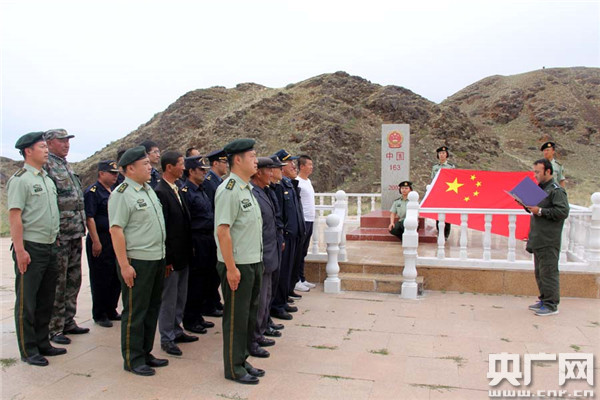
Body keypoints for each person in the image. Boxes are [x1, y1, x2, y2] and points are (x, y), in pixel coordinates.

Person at [108, 146, 168, 376]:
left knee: (152, 308)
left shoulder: (148, 190)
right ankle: (133, 359)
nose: (150, 167)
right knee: (136, 311)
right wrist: (124, 265)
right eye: (145, 164)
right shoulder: (122, 194)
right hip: (138, 260)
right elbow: (116, 231)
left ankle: (145, 352)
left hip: (156, 257)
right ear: (130, 168)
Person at [8, 132, 65, 366]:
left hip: (50, 246)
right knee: (27, 301)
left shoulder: (47, 180)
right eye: (42, 146)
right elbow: (15, 216)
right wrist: (20, 250)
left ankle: (43, 342)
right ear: (28, 151)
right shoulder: (20, 180)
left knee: (46, 298)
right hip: (31, 247)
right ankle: (28, 349)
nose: (46, 150)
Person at [214, 138, 265, 385]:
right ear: (237, 160)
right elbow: (222, 231)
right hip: (238, 264)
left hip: (253, 261)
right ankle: (233, 368)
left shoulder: (247, 188)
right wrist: (231, 268)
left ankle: (242, 359)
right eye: (252, 156)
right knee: (236, 317)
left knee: (248, 315)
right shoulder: (229, 190)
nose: (256, 160)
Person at [44, 129, 89, 345]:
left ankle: (69, 320)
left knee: (74, 278)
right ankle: (55, 327)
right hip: (61, 233)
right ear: (49, 143)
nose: (66, 144)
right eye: (62, 141)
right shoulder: (47, 166)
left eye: (68, 141)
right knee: (58, 282)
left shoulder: (66, 165)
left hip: (76, 232)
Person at [154, 151, 197, 357]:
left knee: (180, 296)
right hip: (172, 257)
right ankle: (167, 338)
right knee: (169, 299)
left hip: (183, 254)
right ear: (169, 167)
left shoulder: (177, 188)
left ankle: (176, 329)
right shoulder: (161, 192)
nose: (184, 168)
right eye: (180, 164)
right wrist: (167, 259)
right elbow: (163, 229)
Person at [526, 159, 569, 316]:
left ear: (548, 171)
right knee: (540, 272)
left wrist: (540, 211)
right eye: (535, 171)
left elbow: (562, 212)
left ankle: (551, 305)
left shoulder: (556, 190)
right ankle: (544, 299)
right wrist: (525, 204)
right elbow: (534, 208)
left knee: (549, 272)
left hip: (549, 239)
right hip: (538, 237)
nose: (535, 175)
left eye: (538, 172)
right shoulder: (541, 189)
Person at [180, 156, 217, 334]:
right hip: (196, 240)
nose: (204, 173)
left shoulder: (201, 190)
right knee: (194, 281)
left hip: (208, 239)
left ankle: (198, 315)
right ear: (191, 171)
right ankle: (190, 319)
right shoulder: (186, 191)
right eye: (201, 170)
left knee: (205, 280)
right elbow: (185, 222)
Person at [84, 161, 121, 328]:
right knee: (101, 277)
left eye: (116, 173)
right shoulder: (93, 192)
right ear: (101, 173)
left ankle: (111, 309)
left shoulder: (114, 191)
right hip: (101, 238)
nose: (115, 176)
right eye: (112, 173)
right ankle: (100, 314)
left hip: (113, 238)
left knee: (114, 276)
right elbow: (90, 218)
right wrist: (96, 241)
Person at [249, 157, 279, 358]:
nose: (271, 173)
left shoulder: (263, 191)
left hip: (269, 254)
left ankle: (259, 333)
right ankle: (252, 339)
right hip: (260, 256)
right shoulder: (253, 193)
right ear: (258, 172)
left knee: (265, 298)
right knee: (258, 301)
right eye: (268, 170)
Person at [270, 149, 305, 320]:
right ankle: (277, 305)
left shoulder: (289, 184)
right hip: (285, 236)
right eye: (290, 162)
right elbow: (279, 214)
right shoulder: (279, 186)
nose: (293, 165)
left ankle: (283, 300)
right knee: (282, 272)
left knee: (288, 271)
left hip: (294, 235)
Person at [294, 154, 317, 291]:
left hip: (310, 220)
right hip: (302, 220)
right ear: (302, 166)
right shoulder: (297, 182)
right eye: (309, 165)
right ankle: (296, 280)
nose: (311, 167)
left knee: (303, 251)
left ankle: (302, 278)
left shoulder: (307, 181)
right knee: (298, 251)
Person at [431, 145, 454, 239]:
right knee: (438, 213)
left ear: (446, 154)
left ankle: (446, 234)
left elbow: (454, 180)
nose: (442, 155)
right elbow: (433, 180)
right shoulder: (435, 167)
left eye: (443, 153)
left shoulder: (450, 167)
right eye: (440, 153)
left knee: (447, 214)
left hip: (447, 193)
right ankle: (439, 231)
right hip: (438, 193)